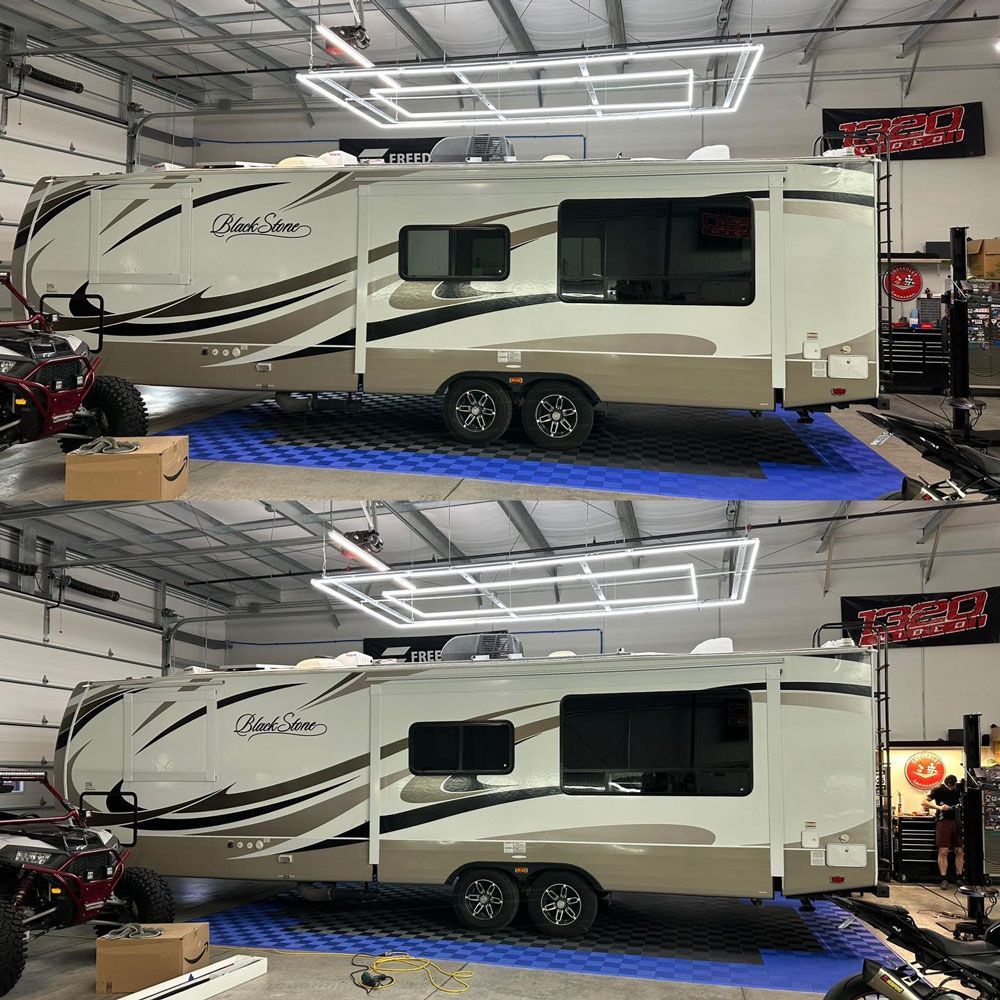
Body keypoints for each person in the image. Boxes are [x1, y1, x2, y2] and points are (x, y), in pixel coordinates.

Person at [924, 774, 964, 888]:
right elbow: (924, 802)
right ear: (945, 784)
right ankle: (943, 879)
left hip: (958, 821)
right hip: (943, 821)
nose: (950, 788)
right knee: (943, 851)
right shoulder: (938, 790)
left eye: (952, 786)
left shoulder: (959, 789)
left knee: (959, 850)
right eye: (948, 786)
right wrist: (940, 808)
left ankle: (959, 877)